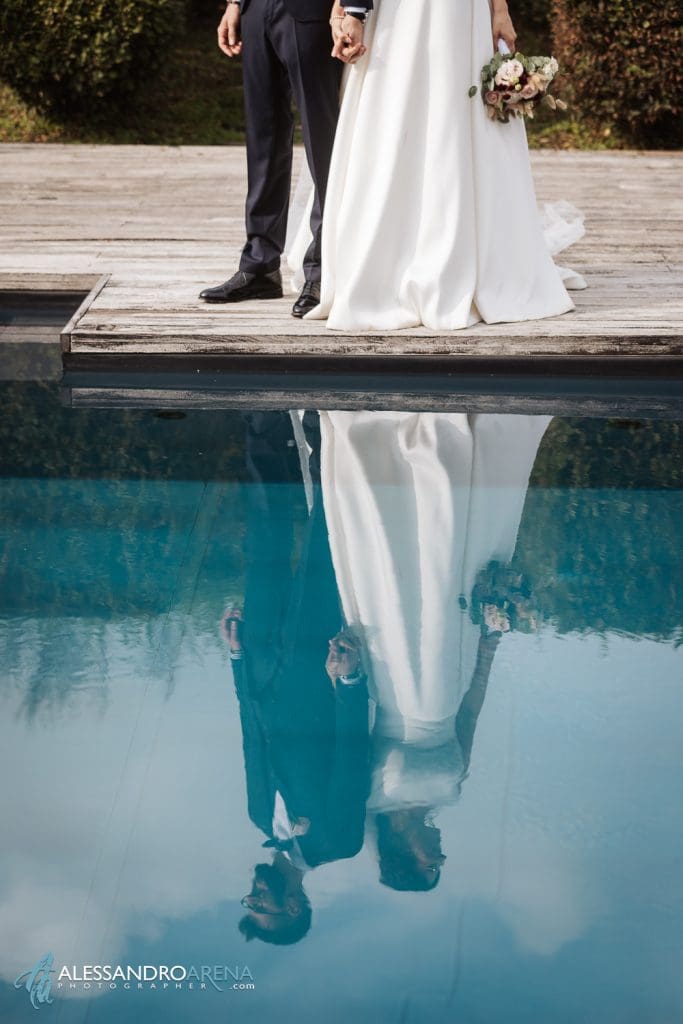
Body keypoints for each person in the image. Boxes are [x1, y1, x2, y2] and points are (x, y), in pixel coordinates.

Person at [315, 410, 551, 887]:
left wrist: (342, 676)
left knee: (404, 588)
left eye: (432, 864)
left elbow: (347, 737)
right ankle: (455, 463)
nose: (441, 856)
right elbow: (469, 718)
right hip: (452, 674)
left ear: (404, 856)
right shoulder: (452, 790)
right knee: (448, 574)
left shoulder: (368, 799)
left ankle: (398, 459)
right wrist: (486, 652)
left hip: (396, 680)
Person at [292, 0, 585, 330]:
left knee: (454, 110)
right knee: (391, 113)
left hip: (458, 14)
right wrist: (345, 9)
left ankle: (453, 254)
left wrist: (500, 11)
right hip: (395, 14)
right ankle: (384, 260)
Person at [224, 412, 370, 944]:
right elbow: (354, 755)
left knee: (263, 540)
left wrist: (238, 662)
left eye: (251, 904)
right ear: (296, 906)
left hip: (261, 665)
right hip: (315, 666)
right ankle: (324, 432)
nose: (255, 897)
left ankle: (265, 424)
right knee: (322, 546)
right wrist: (349, 684)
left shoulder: (258, 817)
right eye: (266, 908)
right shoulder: (339, 840)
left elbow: (248, 737)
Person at [199, 0, 373, 317]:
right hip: (256, 12)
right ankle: (259, 265)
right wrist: (235, 4)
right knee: (262, 137)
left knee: (324, 145)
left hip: (313, 12)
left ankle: (322, 270)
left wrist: (354, 9)